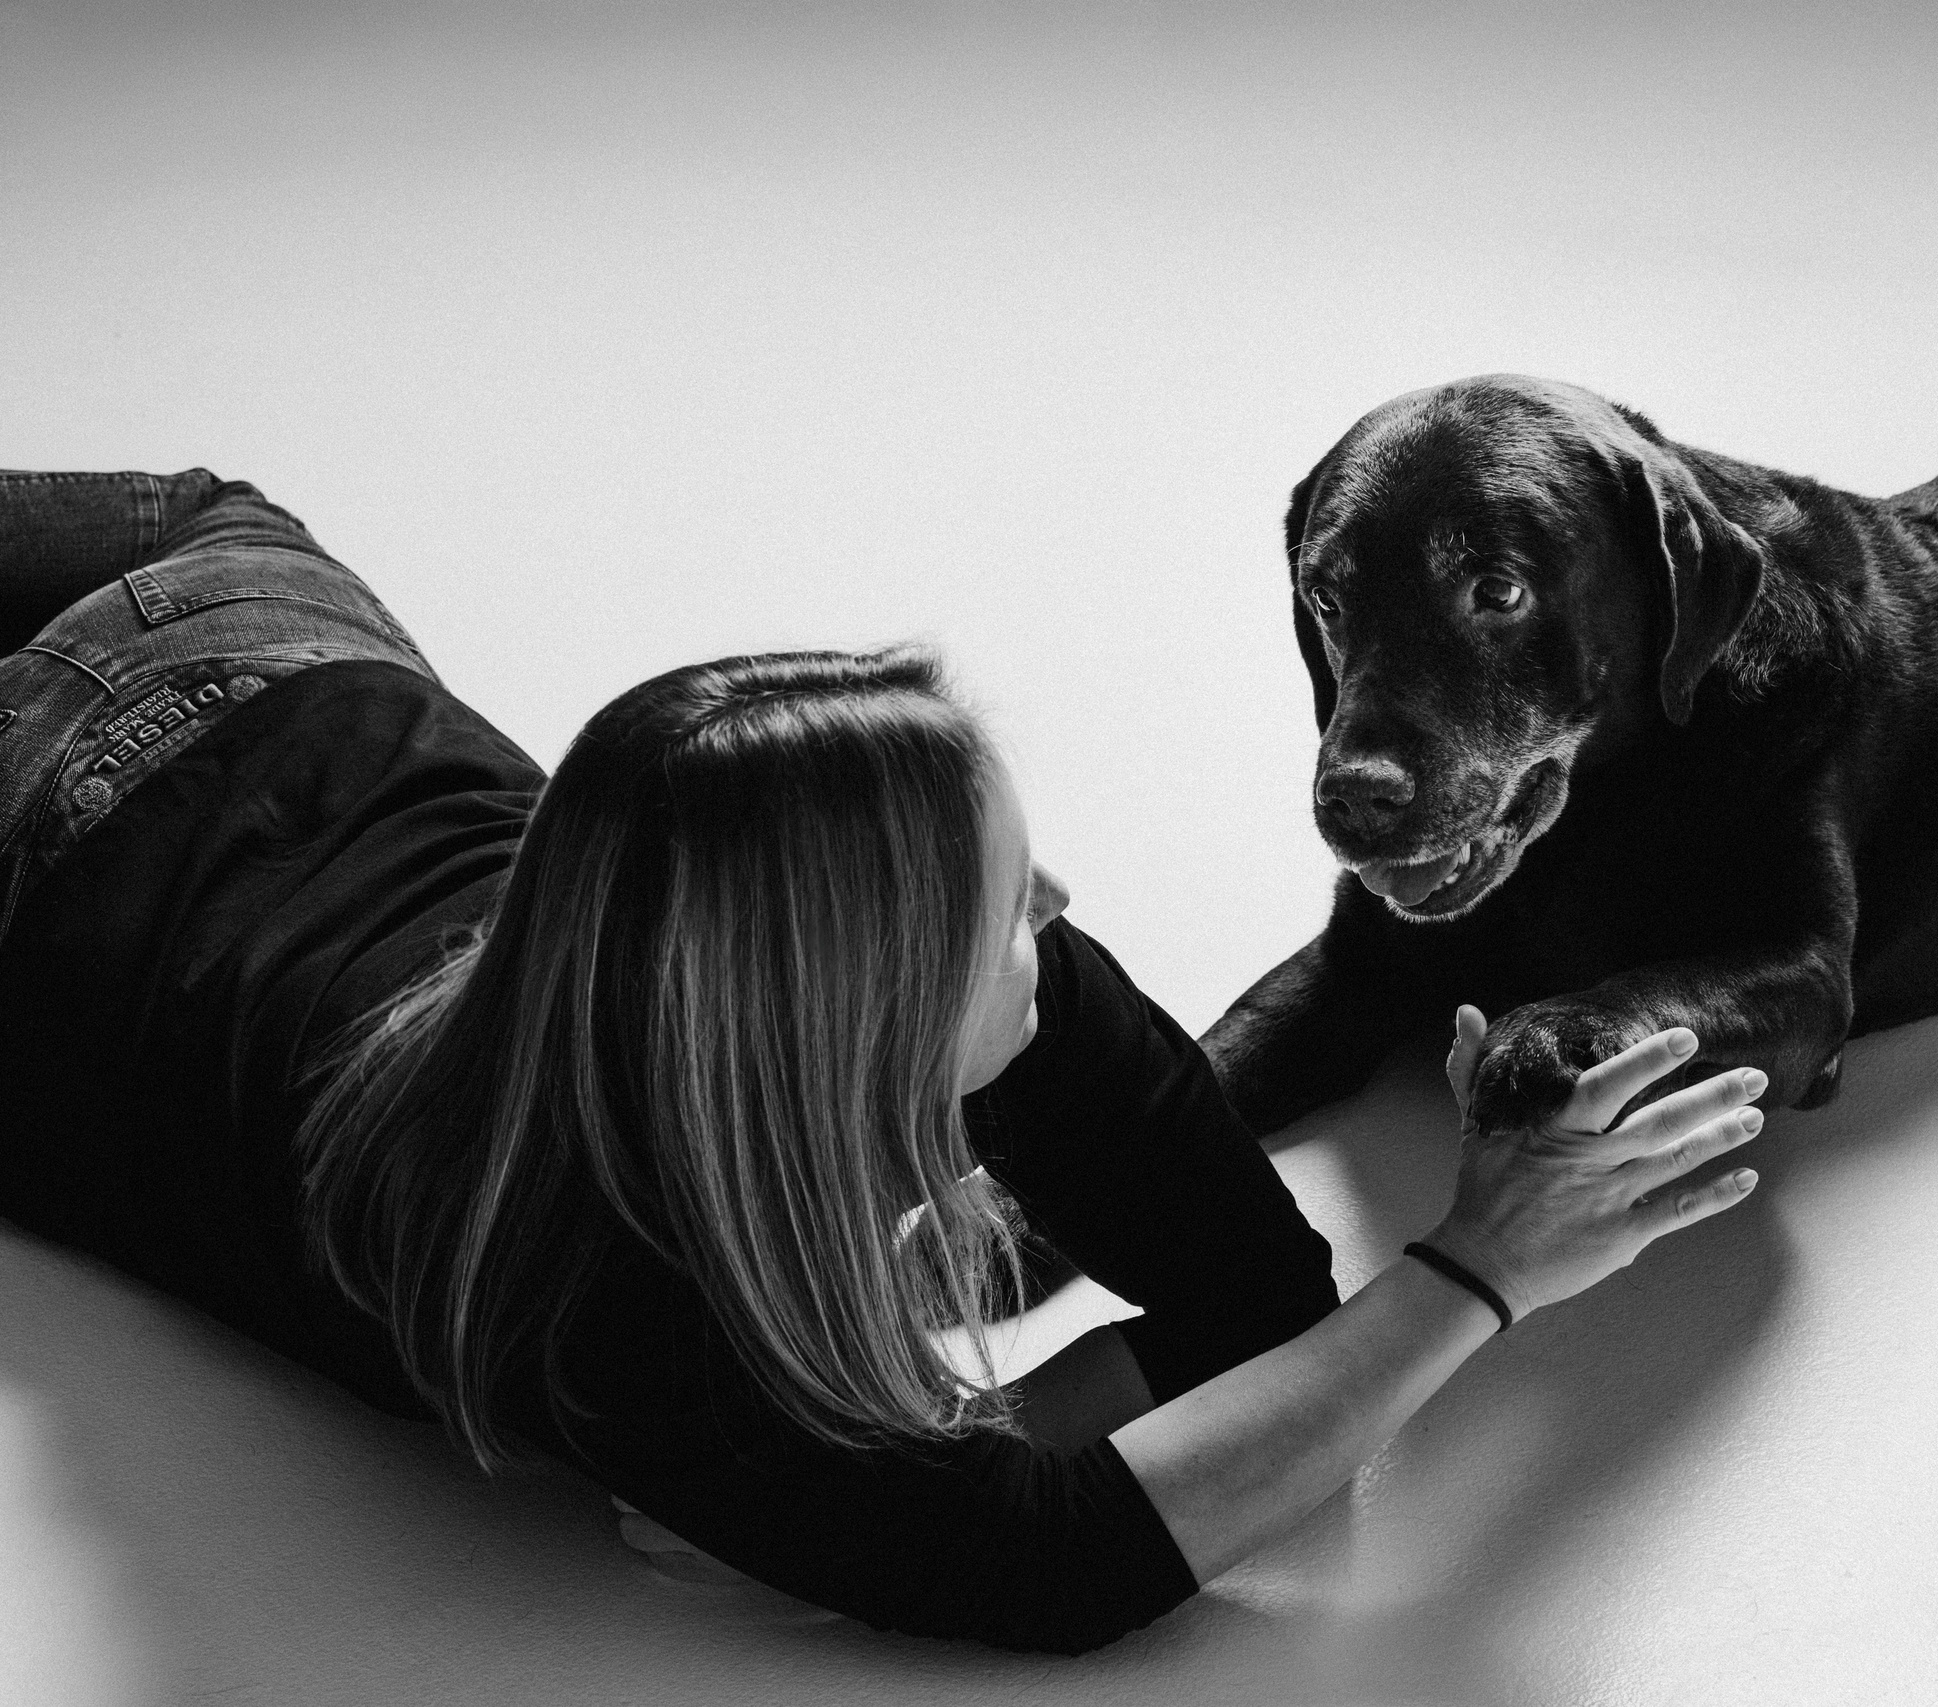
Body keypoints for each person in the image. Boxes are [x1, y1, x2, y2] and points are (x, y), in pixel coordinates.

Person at [0, 470, 1765, 1654]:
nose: (1058, 911)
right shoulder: (604, 1288)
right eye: (1006, 905)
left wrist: (919, 1458)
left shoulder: (937, 994)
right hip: (74, 780)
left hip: (222, 619)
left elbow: (1251, 1309)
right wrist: (1481, 1269)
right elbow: (1058, 1570)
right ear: (849, 1013)